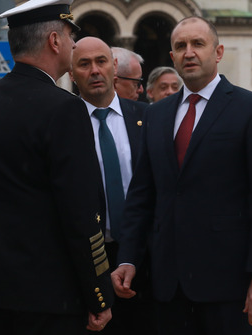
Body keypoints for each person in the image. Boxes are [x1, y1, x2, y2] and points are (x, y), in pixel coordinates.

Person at [112, 16, 252, 334]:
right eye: (180, 46)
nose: (189, 52)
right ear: (172, 57)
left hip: (227, 284)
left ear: (217, 52)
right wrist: (128, 258)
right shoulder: (156, 115)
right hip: (167, 285)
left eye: (198, 44)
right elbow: (142, 195)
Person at [0, 0, 114, 333]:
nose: (74, 45)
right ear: (54, 41)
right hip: (49, 294)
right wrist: (99, 295)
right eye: (70, 36)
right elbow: (79, 213)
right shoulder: (63, 108)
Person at [71, 37, 157, 334]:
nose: (94, 70)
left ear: (114, 71)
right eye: (84, 64)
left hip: (145, 258)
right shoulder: (62, 124)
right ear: (72, 75)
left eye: (101, 62)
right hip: (90, 260)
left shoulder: (148, 118)